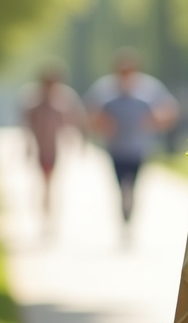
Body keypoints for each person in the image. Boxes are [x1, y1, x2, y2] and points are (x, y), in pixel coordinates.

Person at [85, 49, 178, 224]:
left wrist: (154, 120)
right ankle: (124, 202)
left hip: (139, 147)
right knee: (120, 182)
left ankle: (129, 203)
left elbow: (170, 110)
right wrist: (102, 124)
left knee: (133, 182)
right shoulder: (104, 88)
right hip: (115, 147)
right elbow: (90, 114)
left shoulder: (150, 87)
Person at [21, 61, 86, 215]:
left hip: (58, 147)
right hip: (41, 146)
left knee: (53, 179)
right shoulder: (33, 100)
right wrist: (28, 145)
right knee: (44, 179)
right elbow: (28, 126)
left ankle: (50, 206)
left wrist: (77, 142)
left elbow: (75, 121)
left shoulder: (66, 98)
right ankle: (45, 205)